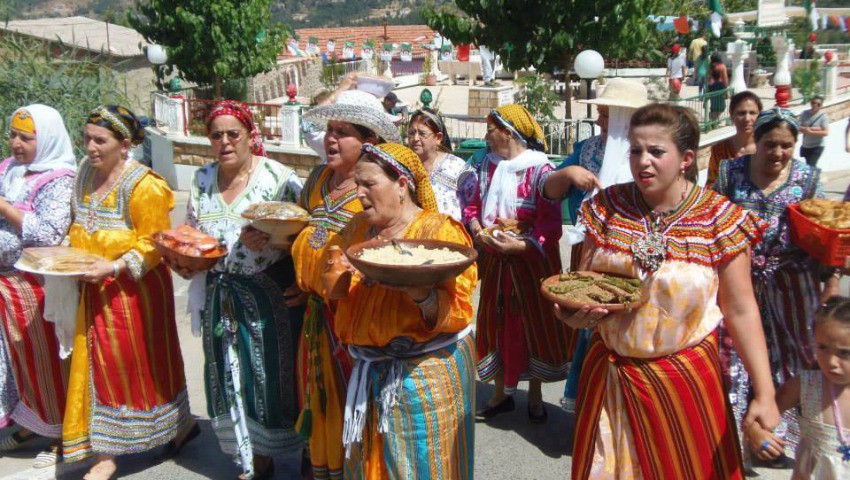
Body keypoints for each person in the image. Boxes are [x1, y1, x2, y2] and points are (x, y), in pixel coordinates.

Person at [562, 103, 780, 478]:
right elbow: (577, 287)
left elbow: (742, 311)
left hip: (684, 382)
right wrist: (570, 314)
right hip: (610, 384)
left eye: (656, 152)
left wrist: (765, 393)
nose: (642, 161)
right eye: (635, 150)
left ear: (686, 158)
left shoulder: (718, 219)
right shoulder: (607, 208)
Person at [167, 100, 304, 480]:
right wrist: (182, 258)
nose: (224, 142)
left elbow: (304, 236)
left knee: (269, 376)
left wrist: (275, 243)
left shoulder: (279, 178)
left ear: (249, 135)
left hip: (267, 296)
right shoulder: (201, 179)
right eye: (216, 135)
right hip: (219, 293)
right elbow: (192, 233)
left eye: (233, 134)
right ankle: (250, 455)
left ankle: (274, 454)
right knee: (227, 373)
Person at [329, 143, 477, 479]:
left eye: (370, 184)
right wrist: (334, 272)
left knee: (421, 467)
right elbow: (338, 291)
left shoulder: (440, 233)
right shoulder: (356, 229)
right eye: (357, 184)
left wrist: (421, 294)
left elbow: (459, 306)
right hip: (368, 370)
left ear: (401, 184)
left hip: (422, 376)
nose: (359, 194)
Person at [63, 105, 195, 480]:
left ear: (124, 145)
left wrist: (114, 266)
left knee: (137, 364)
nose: (90, 147)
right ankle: (104, 450)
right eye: (87, 138)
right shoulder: (85, 173)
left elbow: (155, 244)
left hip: (134, 293)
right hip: (92, 290)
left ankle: (130, 444)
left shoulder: (145, 185)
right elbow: (78, 222)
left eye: (99, 140)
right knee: (95, 365)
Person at [714, 107, 837, 462]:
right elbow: (712, 217)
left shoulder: (808, 178)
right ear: (757, 140)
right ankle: (739, 434)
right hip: (739, 283)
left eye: (786, 146)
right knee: (734, 355)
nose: (778, 154)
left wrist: (831, 279)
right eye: (771, 144)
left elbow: (825, 232)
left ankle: (781, 434)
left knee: (795, 358)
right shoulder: (730, 173)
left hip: (793, 285)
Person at [293, 87, 400, 479]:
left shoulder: (377, 189)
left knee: (353, 405)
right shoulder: (318, 178)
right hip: (314, 314)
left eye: (342, 131)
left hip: (353, 322)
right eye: (329, 130)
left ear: (369, 141)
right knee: (318, 397)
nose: (330, 139)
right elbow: (300, 229)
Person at [541, 78, 648, 412]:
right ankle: (593, 407)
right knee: (592, 329)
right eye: (600, 114)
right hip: (588, 250)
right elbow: (549, 190)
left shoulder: (645, 158)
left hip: (634, 257)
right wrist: (570, 173)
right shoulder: (587, 150)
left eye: (606, 115)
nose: (599, 121)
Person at [466, 104, 574, 422]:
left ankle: (536, 395)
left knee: (534, 324)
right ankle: (501, 393)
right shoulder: (484, 166)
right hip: (498, 260)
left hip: (531, 262)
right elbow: (472, 207)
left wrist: (522, 244)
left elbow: (550, 225)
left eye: (490, 129)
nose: (486, 136)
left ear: (508, 133)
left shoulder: (541, 170)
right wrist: (477, 231)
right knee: (497, 320)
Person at [0, 105, 75, 468]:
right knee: (16, 365)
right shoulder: (8, 170)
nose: (16, 143)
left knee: (44, 362)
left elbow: (47, 232)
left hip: (34, 287)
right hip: (5, 285)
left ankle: (64, 433)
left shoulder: (58, 178)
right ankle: (31, 422)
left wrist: (3, 206)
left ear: (45, 140)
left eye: (26, 138)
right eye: (13, 134)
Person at [745, 296, 850, 479]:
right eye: (823, 348)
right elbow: (762, 414)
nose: (832, 362)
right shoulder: (807, 385)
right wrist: (757, 433)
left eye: (844, 353)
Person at [405, 108, 476, 221]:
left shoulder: (456, 167)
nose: (415, 138)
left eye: (422, 134)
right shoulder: (404, 166)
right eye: (411, 133)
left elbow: (472, 206)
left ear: (438, 138)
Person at [706, 91, 763, 186]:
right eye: (741, 113)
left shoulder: (765, 148)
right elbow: (711, 184)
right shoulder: (719, 150)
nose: (747, 118)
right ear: (732, 115)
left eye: (752, 113)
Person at [799, 95, 829, 167]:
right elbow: (797, 126)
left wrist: (810, 131)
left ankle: (813, 177)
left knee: (810, 166)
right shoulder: (804, 113)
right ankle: (815, 177)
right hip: (806, 145)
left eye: (818, 104)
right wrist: (816, 128)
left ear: (821, 105)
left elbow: (826, 132)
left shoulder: (823, 116)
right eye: (813, 103)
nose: (815, 105)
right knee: (809, 166)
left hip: (817, 146)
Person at [707, 52, 729, 122]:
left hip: (712, 86)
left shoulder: (710, 66)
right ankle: (713, 119)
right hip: (720, 86)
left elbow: (708, 77)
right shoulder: (722, 66)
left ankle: (713, 118)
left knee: (714, 104)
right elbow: (725, 79)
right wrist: (726, 90)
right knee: (722, 106)